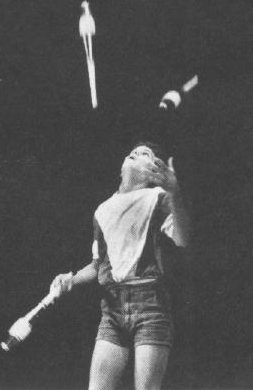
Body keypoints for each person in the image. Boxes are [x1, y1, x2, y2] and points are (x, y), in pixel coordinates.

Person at [49, 141, 190, 390]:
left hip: (150, 304)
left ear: (154, 172)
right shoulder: (102, 210)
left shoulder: (158, 197)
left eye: (145, 154)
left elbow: (183, 239)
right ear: (120, 170)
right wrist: (71, 279)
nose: (136, 153)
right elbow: (98, 265)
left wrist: (174, 192)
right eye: (133, 152)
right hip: (112, 308)